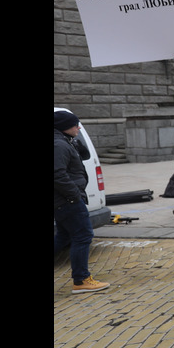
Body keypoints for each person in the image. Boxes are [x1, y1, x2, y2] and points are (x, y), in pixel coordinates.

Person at [54, 110, 110, 294]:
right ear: (63, 127)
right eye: (75, 124)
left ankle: (81, 278)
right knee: (83, 235)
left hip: (64, 200)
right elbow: (58, 174)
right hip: (68, 200)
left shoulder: (64, 141)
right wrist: (74, 195)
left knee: (63, 236)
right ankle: (81, 280)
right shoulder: (59, 144)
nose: (78, 127)